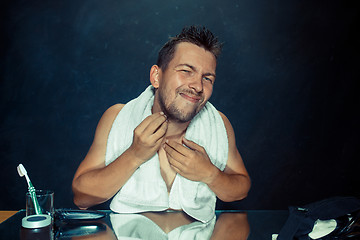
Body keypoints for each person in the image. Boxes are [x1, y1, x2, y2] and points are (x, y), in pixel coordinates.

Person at [72, 25, 251, 223]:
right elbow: (82, 198)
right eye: (186, 71)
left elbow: (241, 188)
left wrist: (210, 174)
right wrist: (134, 155)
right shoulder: (117, 117)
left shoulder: (219, 124)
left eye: (207, 78)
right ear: (156, 76)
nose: (198, 86)